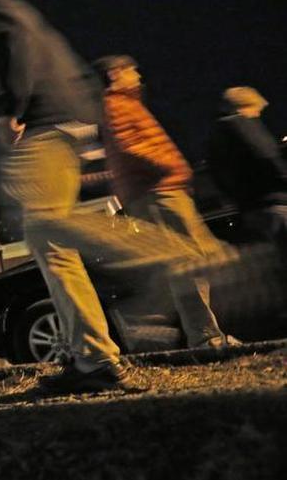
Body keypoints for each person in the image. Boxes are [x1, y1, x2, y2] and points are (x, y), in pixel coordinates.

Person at [0, 0, 221, 393]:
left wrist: (11, 111)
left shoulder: (1, 16)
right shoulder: (24, 14)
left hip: (44, 129)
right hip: (66, 130)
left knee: (43, 224)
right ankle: (94, 358)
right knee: (53, 245)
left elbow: (16, 49)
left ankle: (172, 251)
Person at [93, 55, 230, 348]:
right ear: (116, 73)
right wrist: (173, 167)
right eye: (133, 71)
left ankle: (200, 332)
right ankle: (186, 331)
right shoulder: (115, 104)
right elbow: (130, 146)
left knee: (194, 261)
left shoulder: (127, 103)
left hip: (163, 189)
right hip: (156, 191)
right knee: (187, 262)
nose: (138, 76)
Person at [206, 87, 287, 249]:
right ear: (245, 106)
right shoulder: (242, 125)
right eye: (256, 109)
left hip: (250, 208)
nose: (257, 115)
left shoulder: (216, 137)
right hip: (274, 202)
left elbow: (219, 178)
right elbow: (268, 159)